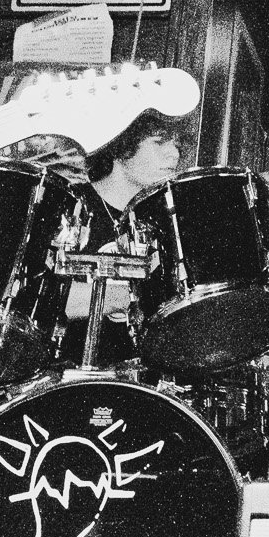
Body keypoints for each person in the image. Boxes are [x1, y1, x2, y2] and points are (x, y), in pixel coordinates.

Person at [63, 111, 183, 366]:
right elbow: (40, 299)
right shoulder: (70, 204)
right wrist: (123, 297)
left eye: (176, 144)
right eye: (160, 142)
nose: (174, 154)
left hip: (139, 383)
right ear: (120, 144)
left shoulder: (165, 222)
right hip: (65, 374)